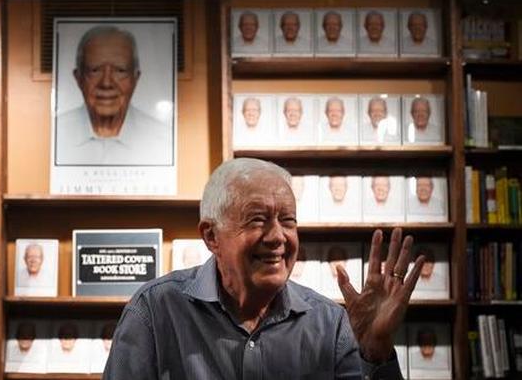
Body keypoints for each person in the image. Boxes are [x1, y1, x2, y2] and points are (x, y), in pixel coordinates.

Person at [103, 158, 425, 379]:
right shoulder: (155, 312)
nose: (277, 237)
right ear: (211, 236)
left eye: (288, 221)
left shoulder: (332, 323)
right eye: (257, 219)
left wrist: (375, 353)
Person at [55, 25, 172, 166]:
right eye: (95, 70)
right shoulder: (53, 135)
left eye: (120, 71)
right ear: (78, 78)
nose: (106, 83)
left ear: (135, 78)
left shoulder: (165, 139)